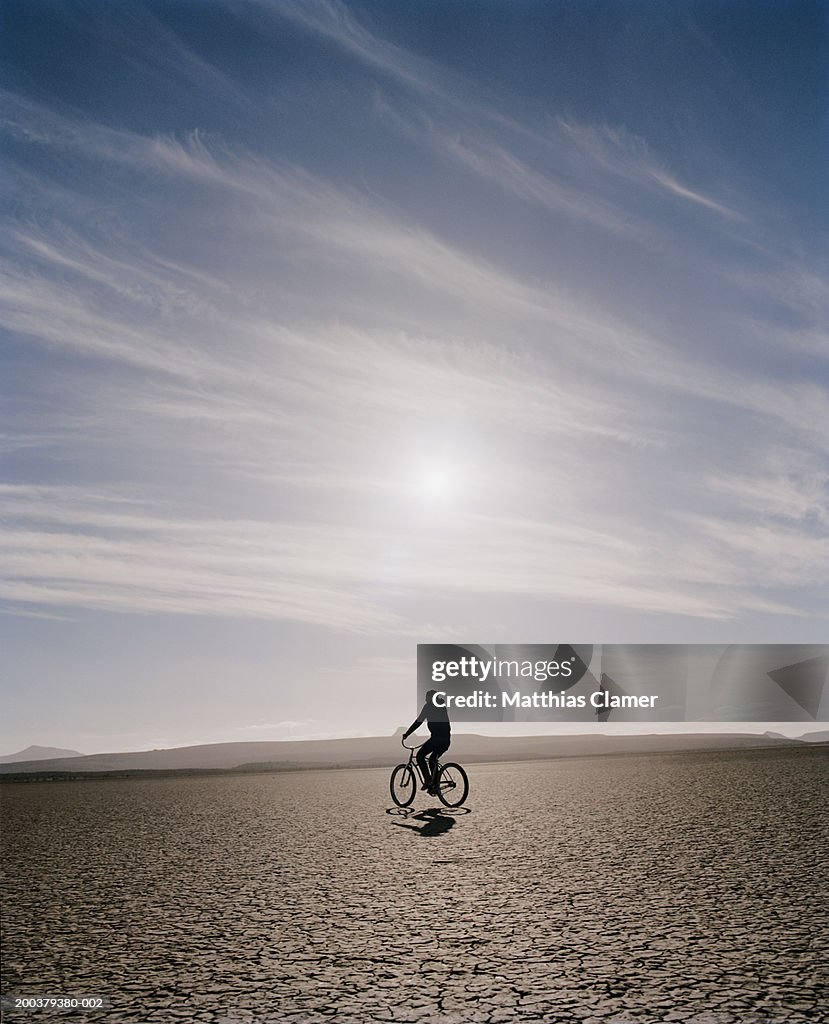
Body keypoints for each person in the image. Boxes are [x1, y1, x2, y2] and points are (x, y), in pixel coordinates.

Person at [402, 689, 451, 793]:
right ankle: (435, 785)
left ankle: (428, 780)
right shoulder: (442, 707)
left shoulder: (429, 706)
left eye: (426, 697)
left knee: (420, 756)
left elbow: (418, 721)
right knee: (433, 759)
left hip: (436, 739)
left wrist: (407, 734)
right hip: (446, 739)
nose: (425, 699)